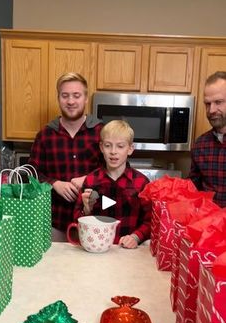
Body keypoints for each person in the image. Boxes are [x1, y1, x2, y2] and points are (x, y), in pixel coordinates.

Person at [28, 72, 104, 241]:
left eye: (76, 95)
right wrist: (54, 184)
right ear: (59, 98)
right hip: (54, 223)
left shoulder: (101, 132)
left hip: (95, 222)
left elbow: (118, 171)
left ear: (85, 98)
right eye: (65, 96)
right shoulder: (45, 135)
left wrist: (88, 179)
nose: (70, 101)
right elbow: (31, 174)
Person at [73, 120, 152, 249]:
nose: (113, 151)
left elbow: (150, 221)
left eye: (120, 146)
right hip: (98, 249)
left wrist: (135, 237)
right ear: (101, 147)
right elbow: (77, 220)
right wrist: (86, 210)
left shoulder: (142, 182)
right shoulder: (91, 180)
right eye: (108, 145)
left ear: (130, 149)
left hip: (128, 251)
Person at [189, 71, 226, 208]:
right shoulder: (200, 145)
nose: (211, 110)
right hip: (208, 226)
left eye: (218, 102)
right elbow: (193, 189)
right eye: (207, 104)